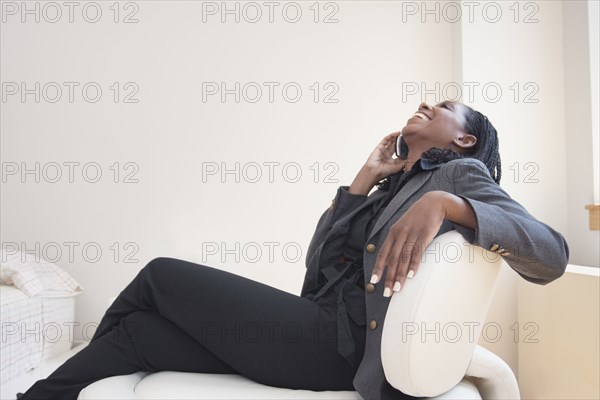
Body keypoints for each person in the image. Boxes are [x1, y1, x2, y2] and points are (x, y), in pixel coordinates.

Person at [18, 101, 569, 400]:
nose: (426, 103)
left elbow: (552, 254)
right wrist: (361, 182)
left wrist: (451, 204)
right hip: (317, 325)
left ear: (464, 139)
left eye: (444, 106)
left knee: (161, 275)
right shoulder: (392, 186)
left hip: (344, 349)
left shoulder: (460, 174)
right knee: (139, 336)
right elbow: (318, 267)